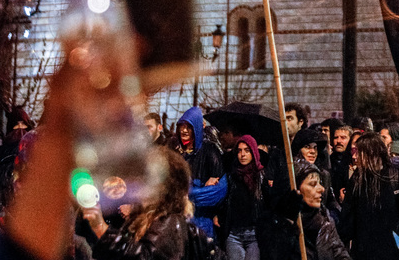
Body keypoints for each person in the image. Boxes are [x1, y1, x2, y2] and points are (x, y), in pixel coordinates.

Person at [84, 146, 195, 260]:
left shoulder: (169, 221)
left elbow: (144, 256)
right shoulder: (141, 216)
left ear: (164, 186)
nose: (139, 180)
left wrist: (101, 228)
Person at [339, 132, 399, 260]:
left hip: (391, 250)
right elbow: (348, 220)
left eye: (359, 152)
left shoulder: (395, 178)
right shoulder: (357, 179)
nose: (355, 156)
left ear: (371, 153)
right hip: (363, 251)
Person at [265, 159, 351, 260]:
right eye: (313, 184)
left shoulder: (324, 220)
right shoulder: (275, 226)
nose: (322, 189)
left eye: (320, 183)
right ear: (294, 190)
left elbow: (339, 253)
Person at [172, 105, 227, 237]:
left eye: (188, 127)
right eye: (182, 126)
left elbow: (218, 192)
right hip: (178, 222)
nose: (184, 130)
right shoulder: (175, 153)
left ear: (196, 128)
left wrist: (186, 194)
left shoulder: (210, 151)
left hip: (202, 222)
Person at [219, 134, 267, 260]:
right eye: (239, 151)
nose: (243, 154)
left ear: (254, 152)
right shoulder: (232, 175)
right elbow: (224, 199)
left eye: (247, 150)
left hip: (255, 234)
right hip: (234, 233)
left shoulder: (261, 176)